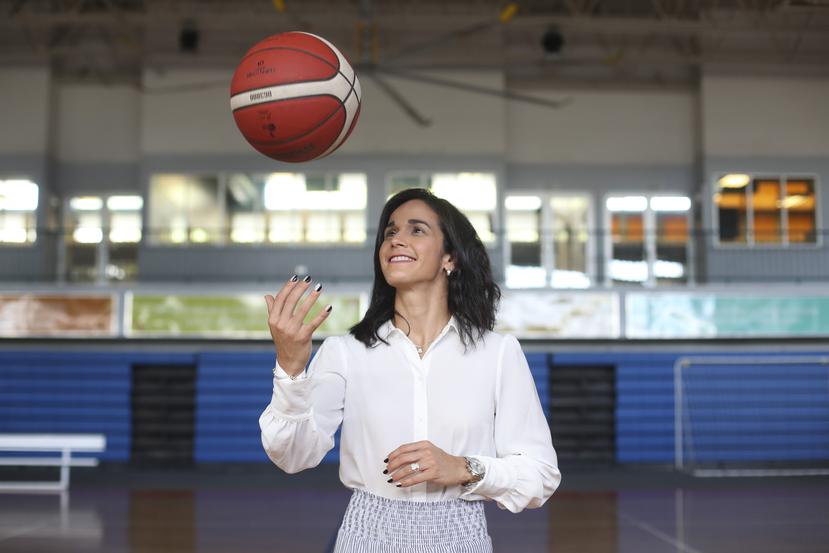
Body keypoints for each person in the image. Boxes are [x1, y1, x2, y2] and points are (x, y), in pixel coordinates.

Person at [260, 187, 561, 552]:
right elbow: (293, 456)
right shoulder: (345, 352)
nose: (396, 239)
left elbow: (541, 474)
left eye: (416, 230)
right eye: (390, 232)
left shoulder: (498, 354)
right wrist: (291, 369)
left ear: (449, 257)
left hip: (461, 537)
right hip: (365, 536)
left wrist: (465, 467)